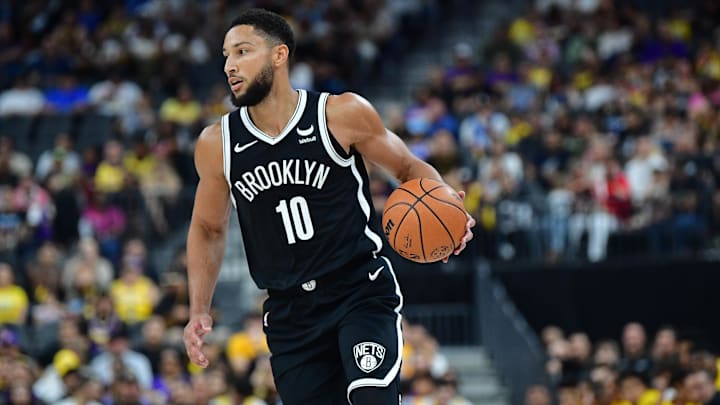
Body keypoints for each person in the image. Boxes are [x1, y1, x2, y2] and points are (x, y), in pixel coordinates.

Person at [183, 8, 474, 405]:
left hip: (357, 291)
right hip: (290, 314)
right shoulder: (217, 144)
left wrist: (448, 207)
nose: (230, 66)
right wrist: (198, 308)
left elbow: (407, 167)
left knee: (372, 399)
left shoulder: (340, 113)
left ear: (278, 55)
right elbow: (208, 229)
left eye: (242, 52)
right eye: (226, 56)